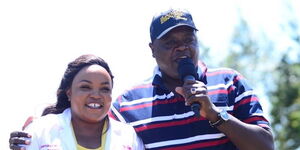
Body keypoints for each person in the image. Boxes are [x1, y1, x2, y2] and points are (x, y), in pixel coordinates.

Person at [10, 8, 274, 150]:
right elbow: (90, 134)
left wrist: (215, 114)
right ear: (152, 50)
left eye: (188, 40)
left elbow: (265, 146)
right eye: (170, 43)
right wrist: (34, 136)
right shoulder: (127, 103)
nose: (181, 48)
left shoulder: (230, 82)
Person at [9, 54, 144, 150]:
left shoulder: (128, 137)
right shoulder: (40, 131)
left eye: (105, 89)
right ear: (69, 93)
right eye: (85, 87)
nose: (96, 95)